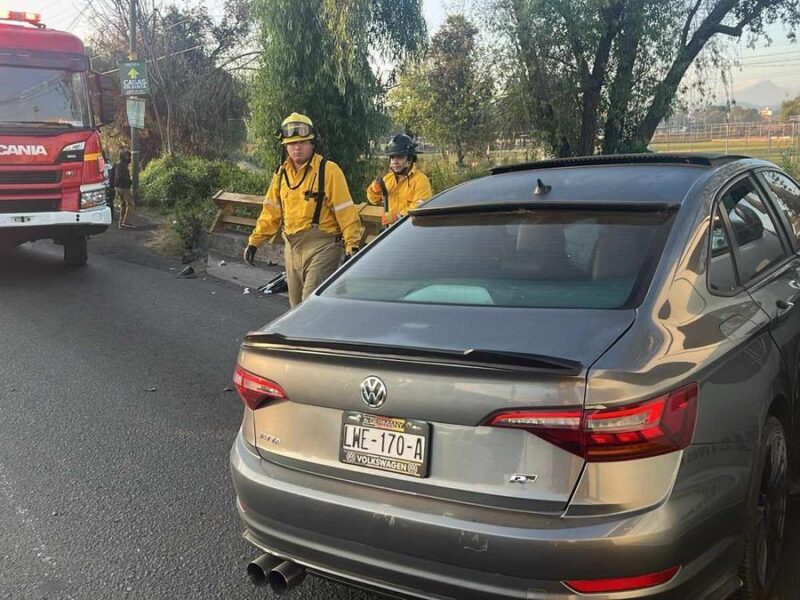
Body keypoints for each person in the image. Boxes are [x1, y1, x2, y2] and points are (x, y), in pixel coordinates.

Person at [243, 112, 362, 307]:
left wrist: (352, 247)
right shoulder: (281, 174)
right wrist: (254, 242)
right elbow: (270, 212)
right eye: (292, 143)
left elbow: (345, 211)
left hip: (323, 247)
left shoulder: (329, 170)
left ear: (312, 143)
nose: (297, 147)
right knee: (295, 306)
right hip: (292, 248)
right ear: (285, 146)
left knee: (309, 306)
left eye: (302, 142)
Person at [366, 133, 432, 226]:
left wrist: (397, 216)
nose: (395, 161)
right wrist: (374, 190)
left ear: (410, 159)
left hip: (412, 231)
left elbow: (419, 209)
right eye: (392, 157)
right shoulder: (388, 179)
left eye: (400, 157)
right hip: (392, 232)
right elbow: (374, 200)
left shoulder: (420, 180)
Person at [115, 149, 134, 229]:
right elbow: (121, 177)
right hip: (124, 187)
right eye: (126, 156)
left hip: (119, 187)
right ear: (122, 157)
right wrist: (129, 181)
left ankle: (121, 222)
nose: (128, 157)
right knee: (131, 204)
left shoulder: (119, 165)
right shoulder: (121, 165)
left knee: (123, 204)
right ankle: (126, 222)